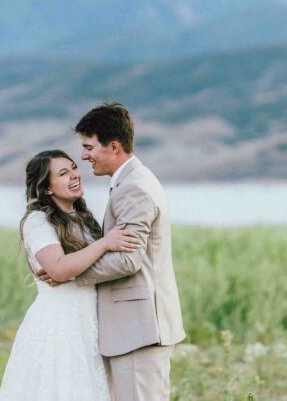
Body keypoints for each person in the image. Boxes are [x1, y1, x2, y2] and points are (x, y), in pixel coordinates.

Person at [40, 103, 186, 401]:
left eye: (89, 146)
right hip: (135, 329)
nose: (83, 156)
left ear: (114, 147)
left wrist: (68, 273)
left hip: (139, 329)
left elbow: (128, 260)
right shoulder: (131, 182)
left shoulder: (134, 187)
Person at [0, 149, 140, 401]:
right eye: (64, 173)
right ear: (47, 188)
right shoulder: (39, 221)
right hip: (59, 325)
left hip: (90, 322)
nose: (75, 175)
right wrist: (105, 243)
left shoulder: (83, 218)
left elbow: (77, 268)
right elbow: (59, 269)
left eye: (74, 168)